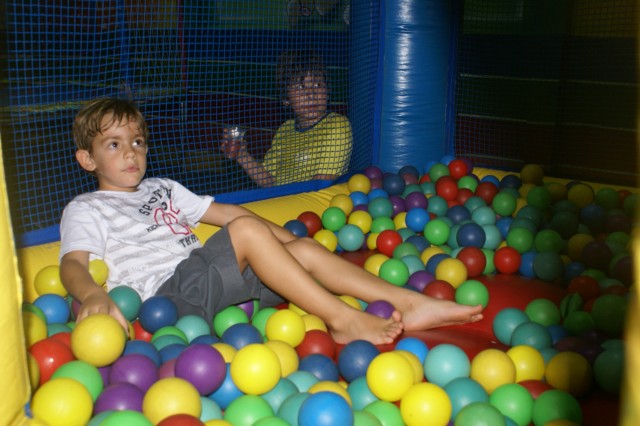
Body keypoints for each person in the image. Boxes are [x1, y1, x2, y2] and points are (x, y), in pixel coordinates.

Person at [59, 98, 483, 346]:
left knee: (295, 247)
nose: (131, 153)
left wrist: (288, 242)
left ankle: (411, 303)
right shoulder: (87, 207)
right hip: (167, 301)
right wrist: (94, 294)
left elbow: (227, 213)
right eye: (114, 145)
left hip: (210, 284)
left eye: (137, 142)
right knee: (244, 233)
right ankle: (343, 320)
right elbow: (73, 264)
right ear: (87, 159)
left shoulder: (163, 188)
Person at [220, 50, 352, 188]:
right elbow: (269, 181)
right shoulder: (285, 130)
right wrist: (242, 155)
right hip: (283, 202)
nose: (311, 94)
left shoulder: (337, 125)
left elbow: (321, 184)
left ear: (327, 91)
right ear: (286, 99)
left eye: (317, 85)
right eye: (301, 87)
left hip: (313, 205)